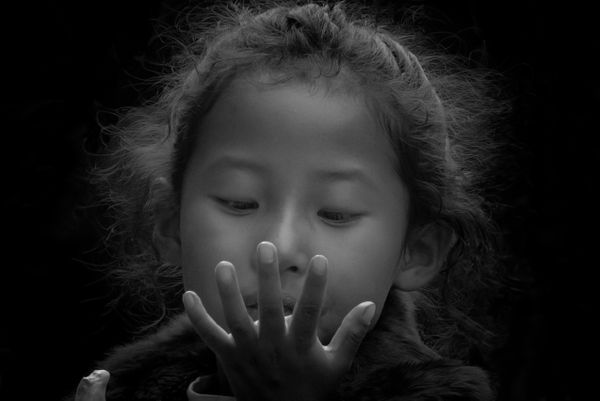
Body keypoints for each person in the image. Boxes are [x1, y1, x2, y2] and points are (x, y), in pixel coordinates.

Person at [69, 1, 509, 400]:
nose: (277, 249)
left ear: (417, 251)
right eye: (239, 202)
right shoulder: (123, 388)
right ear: (168, 223)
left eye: (337, 212)